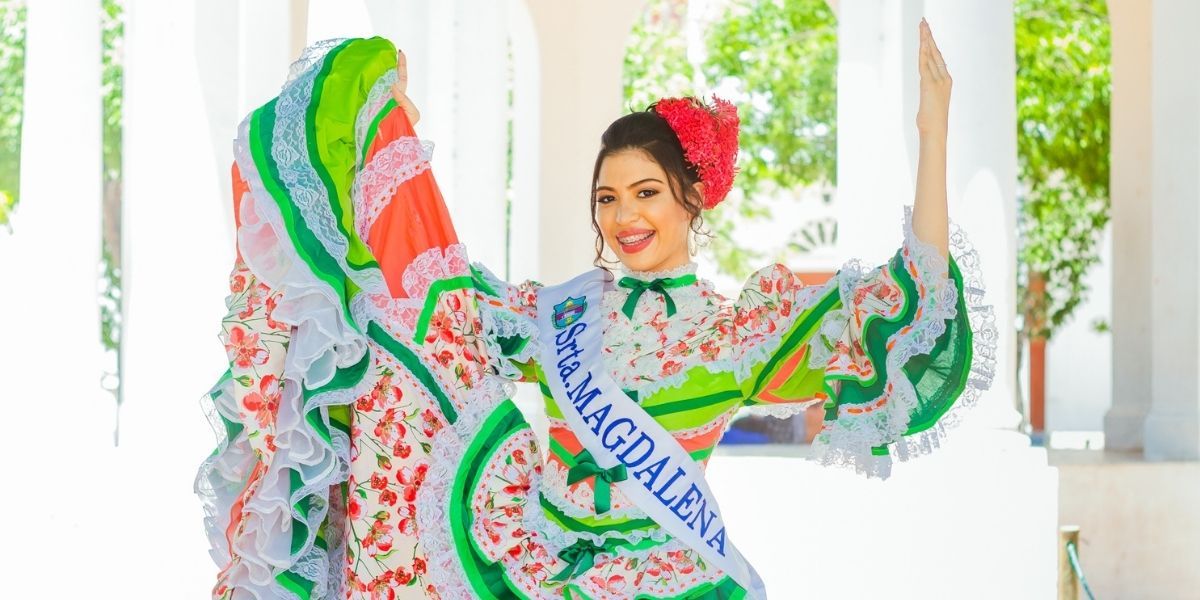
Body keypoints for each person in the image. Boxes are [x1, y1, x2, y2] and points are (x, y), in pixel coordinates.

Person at [196, 19, 994, 599]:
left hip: (672, 576)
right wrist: (387, 133)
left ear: (691, 200)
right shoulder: (560, 314)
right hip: (535, 564)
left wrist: (933, 131)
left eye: (647, 193)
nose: (625, 216)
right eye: (608, 197)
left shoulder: (741, 329)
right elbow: (433, 302)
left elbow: (904, 308)